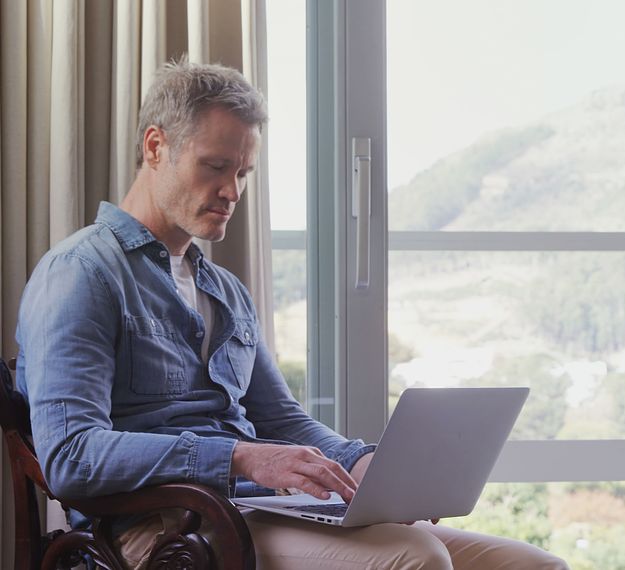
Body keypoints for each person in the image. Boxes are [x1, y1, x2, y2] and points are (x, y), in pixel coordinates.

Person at [15, 59, 568, 569]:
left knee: (533, 565)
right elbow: (72, 455)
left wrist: (360, 464)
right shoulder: (81, 273)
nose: (232, 191)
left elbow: (282, 421)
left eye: (244, 172)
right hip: (162, 526)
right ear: (156, 147)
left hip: (250, 510)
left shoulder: (224, 290)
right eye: (215, 166)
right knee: (415, 558)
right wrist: (241, 457)